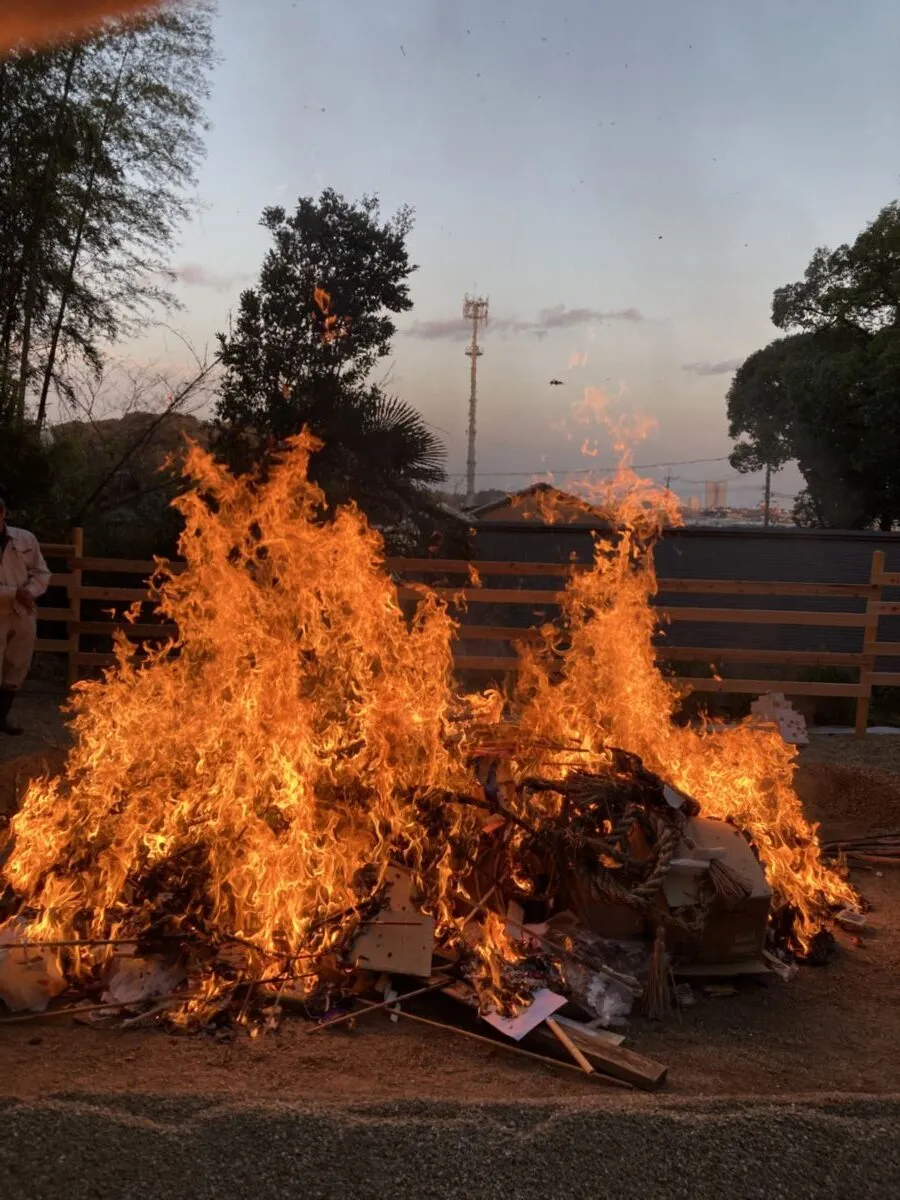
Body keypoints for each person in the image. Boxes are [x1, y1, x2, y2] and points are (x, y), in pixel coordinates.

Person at [0, 490, 50, 735]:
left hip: (22, 611)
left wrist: (30, 591)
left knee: (18, 664)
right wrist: (12, 593)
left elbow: (42, 572)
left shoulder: (25, 539)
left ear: (4, 512)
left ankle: (1, 717)